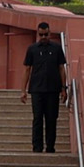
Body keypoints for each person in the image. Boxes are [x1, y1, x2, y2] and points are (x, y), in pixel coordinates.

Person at [19, 21, 65, 154]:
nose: (43, 37)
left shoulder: (56, 48)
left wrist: (63, 88)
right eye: (41, 35)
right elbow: (27, 69)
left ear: (49, 33)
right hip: (37, 89)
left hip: (53, 89)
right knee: (37, 119)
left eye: (46, 34)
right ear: (38, 34)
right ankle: (37, 147)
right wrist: (23, 90)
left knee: (51, 119)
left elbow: (61, 68)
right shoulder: (32, 49)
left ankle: (50, 147)